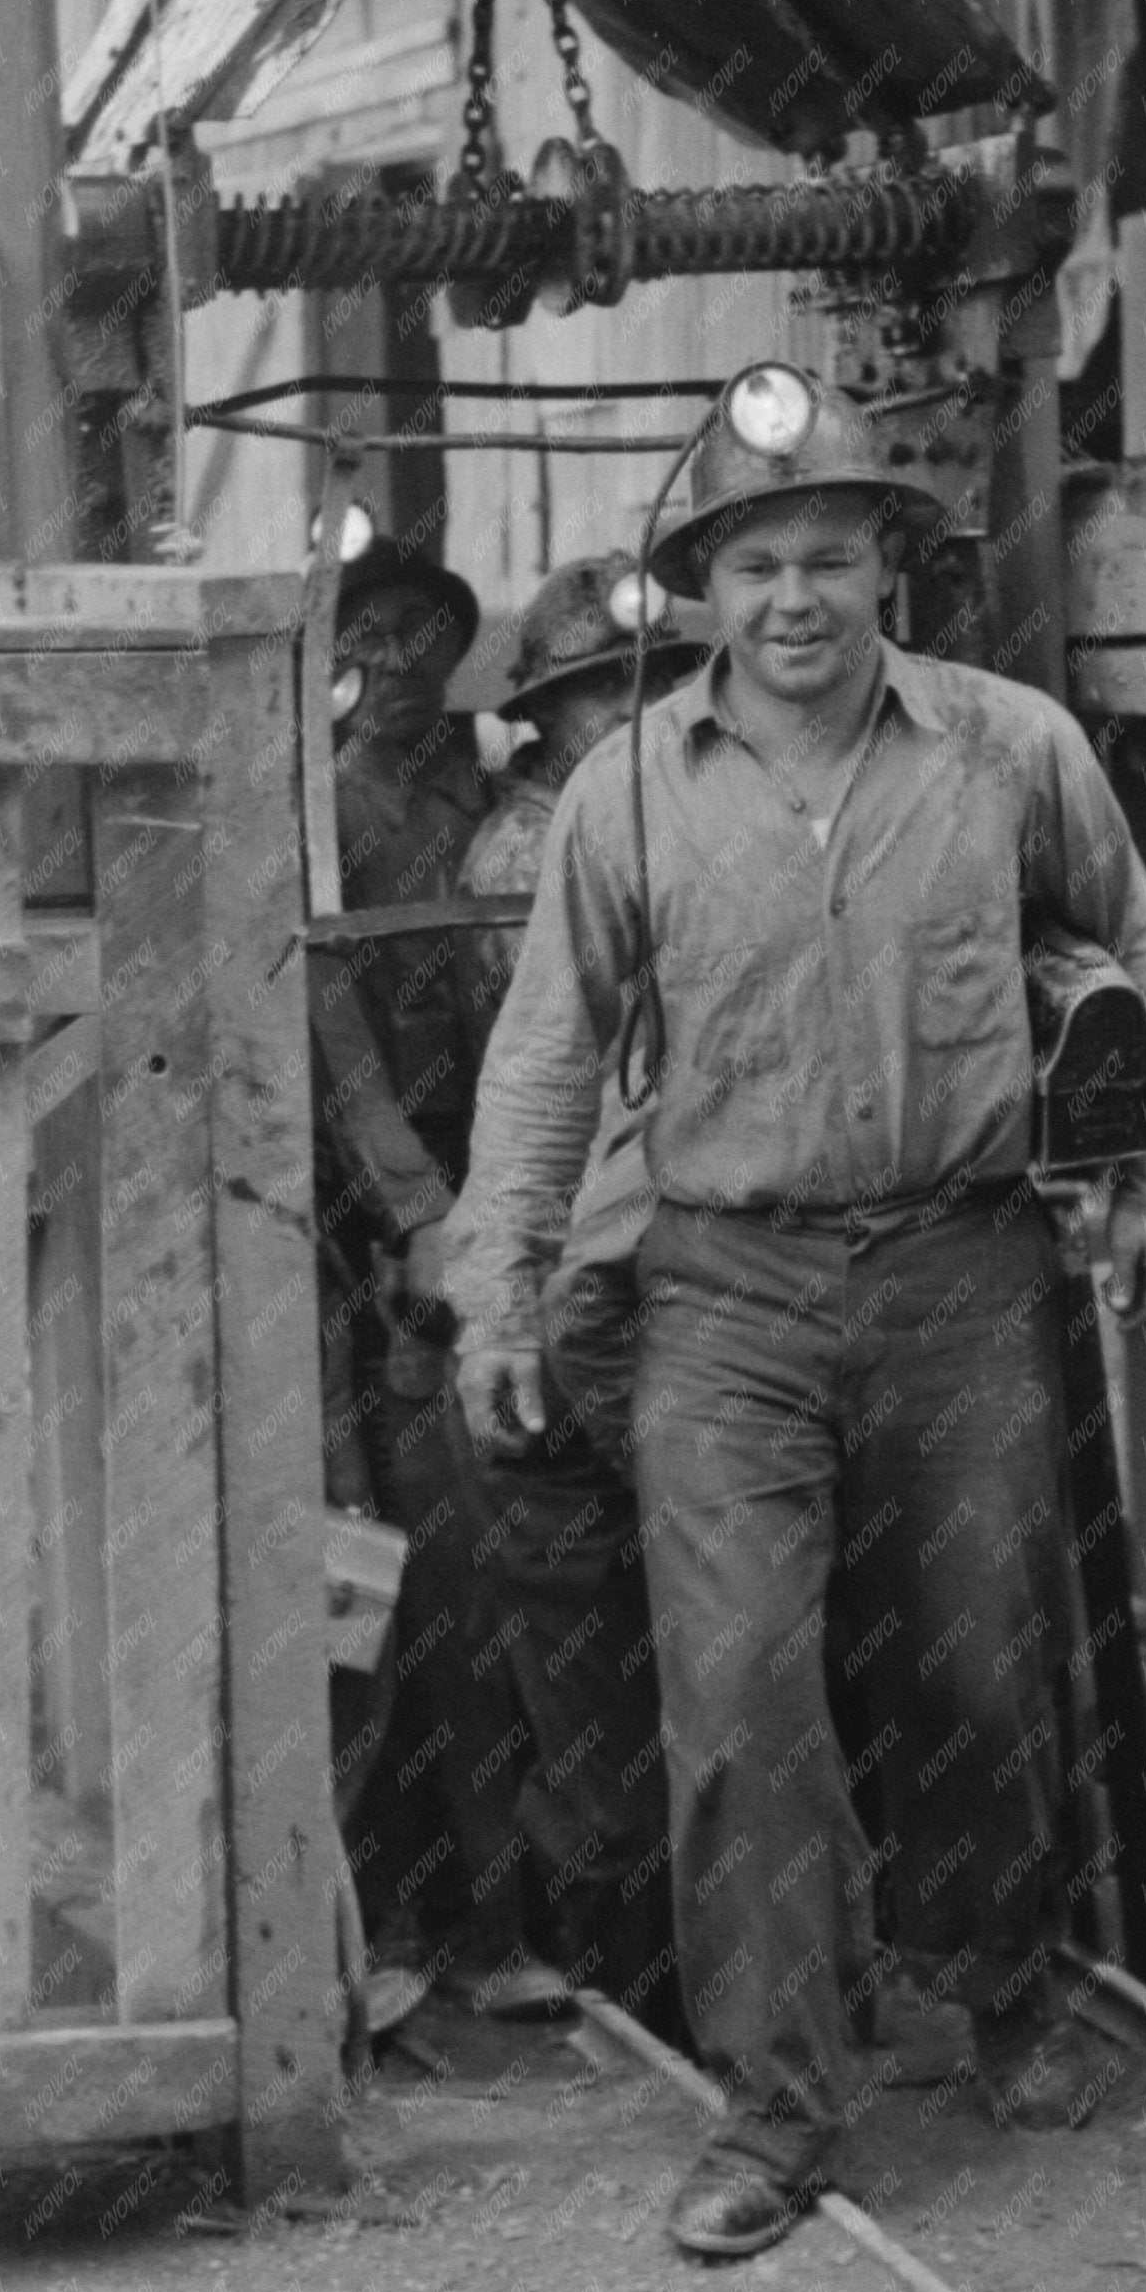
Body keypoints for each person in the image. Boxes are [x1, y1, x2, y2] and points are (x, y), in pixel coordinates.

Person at [450, 362, 1146, 2260]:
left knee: (970, 1661)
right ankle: (777, 2105)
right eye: (759, 562)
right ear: (704, 585)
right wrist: (503, 1292)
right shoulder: (626, 791)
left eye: (834, 559)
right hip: (722, 1289)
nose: (797, 599)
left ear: (895, 575)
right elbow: (546, 1060)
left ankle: (1006, 1986)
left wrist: (1139, 1168)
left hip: (963, 1269)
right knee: (741, 1687)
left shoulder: (1011, 752)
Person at [306, 529, 565, 2018]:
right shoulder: (323, 806)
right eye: (372, 636)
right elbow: (335, 1033)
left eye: (426, 633)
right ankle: (393, 1925)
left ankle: (505, 1924)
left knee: (494, 1589)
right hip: (367, 1245)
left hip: (505, 1211)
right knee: (378, 1586)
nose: (400, 662)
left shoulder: (499, 805)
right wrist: (418, 1207)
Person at [451, 556, 706, 2033]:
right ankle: (602, 1940)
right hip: (569, 1260)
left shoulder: (675, 815)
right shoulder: (528, 855)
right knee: (579, 1630)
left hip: (672, 1261)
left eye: (660, 683)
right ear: (543, 719)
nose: (643, 709)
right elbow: (553, 1074)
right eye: (607, 693)